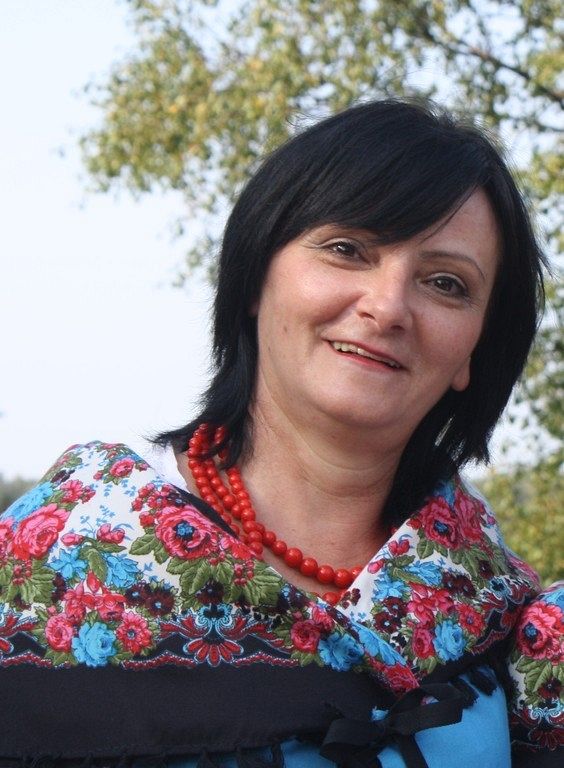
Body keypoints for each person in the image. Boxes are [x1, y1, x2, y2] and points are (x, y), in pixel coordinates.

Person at [0, 99, 562, 768]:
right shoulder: (52, 562)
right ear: (255, 276)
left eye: (446, 283)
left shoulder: (507, 622)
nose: (387, 307)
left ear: (475, 349)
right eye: (348, 250)